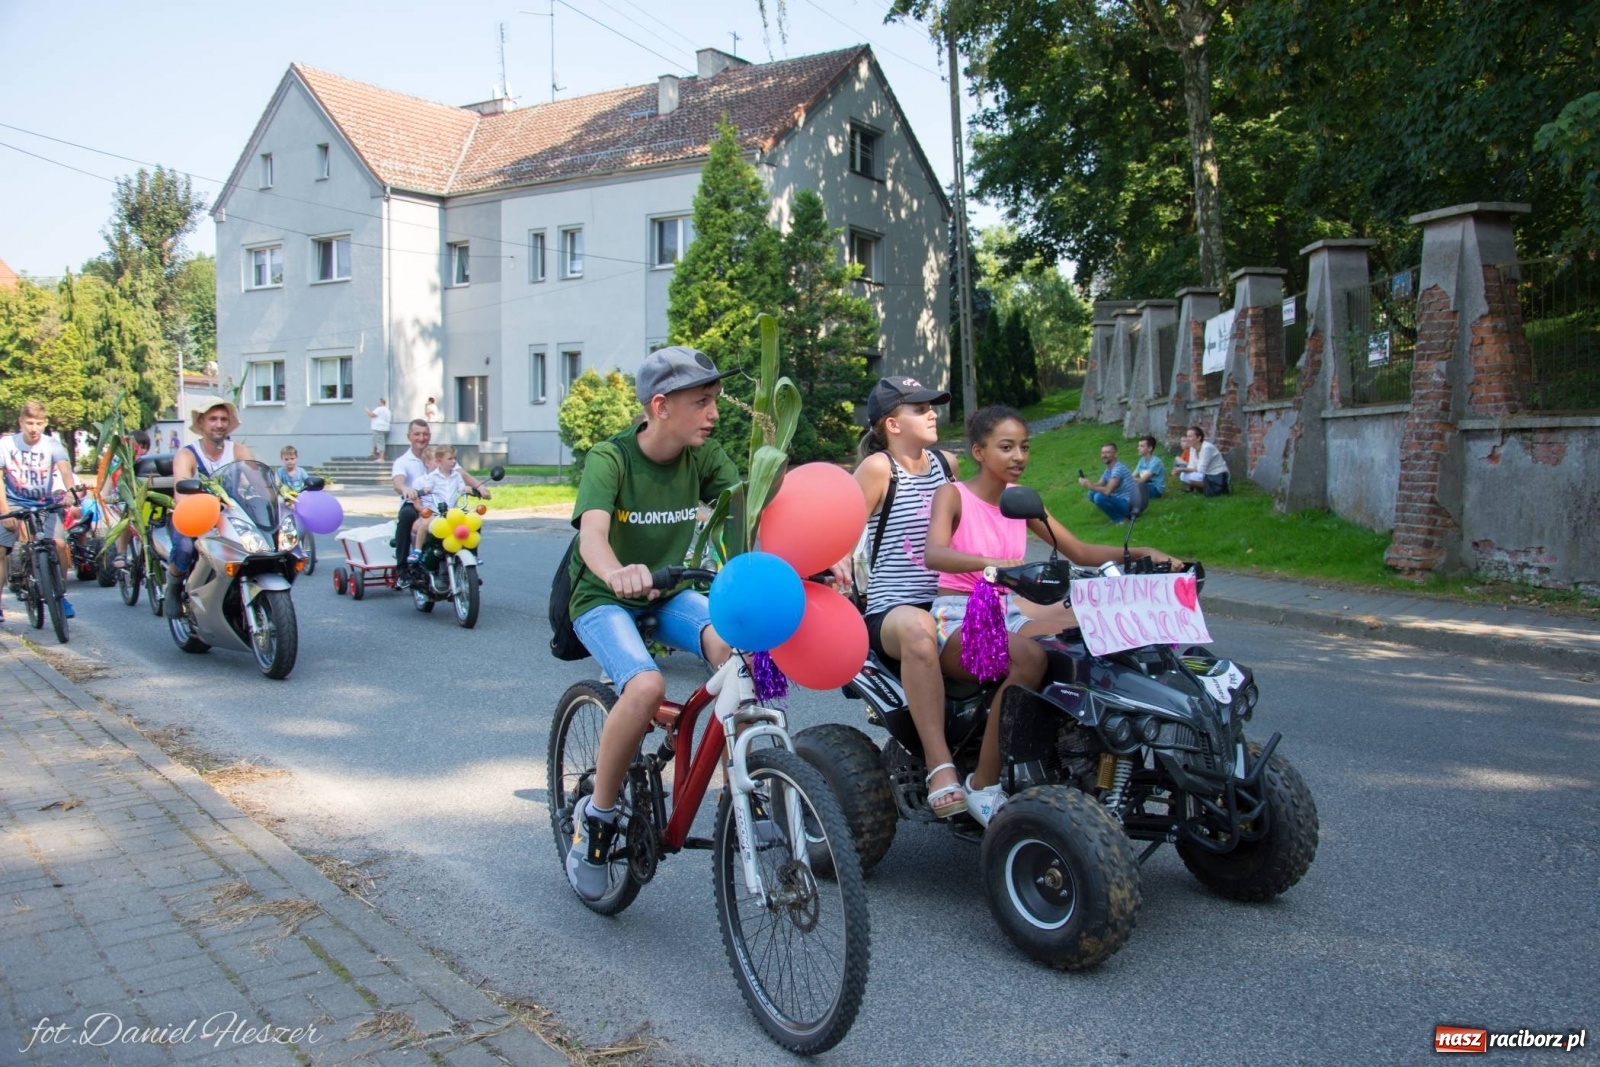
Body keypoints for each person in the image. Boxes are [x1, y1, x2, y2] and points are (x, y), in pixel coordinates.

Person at [925, 406, 1181, 827]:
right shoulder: (954, 495)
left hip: (1006, 613)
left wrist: (1144, 554)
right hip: (957, 616)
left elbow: (1079, 551)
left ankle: (1075, 757)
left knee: (1084, 637)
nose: (1018, 456)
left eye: (1024, 447)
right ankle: (982, 783)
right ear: (978, 451)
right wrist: (994, 565)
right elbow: (934, 552)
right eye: (1005, 447)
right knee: (1029, 657)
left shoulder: (1022, 502)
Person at [562, 345, 746, 901]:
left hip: (669, 591)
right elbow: (592, 534)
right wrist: (617, 572)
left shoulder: (705, 458)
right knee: (644, 687)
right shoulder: (610, 458)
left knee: (738, 653)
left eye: (715, 401)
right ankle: (595, 819)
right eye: (703, 402)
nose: (715, 413)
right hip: (603, 595)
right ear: (661, 406)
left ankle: (743, 790)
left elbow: (749, 517)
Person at [852, 377, 971, 818]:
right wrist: (835, 565)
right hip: (892, 611)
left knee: (1012, 643)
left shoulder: (947, 465)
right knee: (921, 634)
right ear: (892, 424)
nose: (932, 413)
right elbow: (840, 529)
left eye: (932, 405)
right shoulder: (878, 469)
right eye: (919, 409)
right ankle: (940, 765)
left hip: (946, 604)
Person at [165, 402, 255, 617]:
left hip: (232, 517)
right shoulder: (187, 455)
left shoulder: (239, 451)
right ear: (201, 423)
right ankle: (174, 588)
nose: (219, 424)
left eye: (224, 420)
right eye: (213, 419)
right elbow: (181, 494)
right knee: (185, 549)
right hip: (195, 517)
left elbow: (258, 481)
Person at [1, 400, 82, 621]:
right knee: (1, 549)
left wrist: (70, 493)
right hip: (13, 502)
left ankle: (60, 593)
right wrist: (4, 511)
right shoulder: (7, 445)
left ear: (45, 423)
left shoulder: (52, 445)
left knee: (60, 545)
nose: (33, 428)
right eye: (29, 423)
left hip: (44, 502)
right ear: (21, 422)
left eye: (38, 423)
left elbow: (66, 472)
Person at [407, 445, 492, 562]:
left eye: (455, 458)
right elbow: (428, 488)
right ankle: (417, 551)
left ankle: (473, 553)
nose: (454, 461)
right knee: (425, 523)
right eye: (450, 459)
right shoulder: (432, 477)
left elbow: (462, 488)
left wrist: (472, 490)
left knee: (474, 520)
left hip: (453, 512)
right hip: (436, 511)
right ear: (439, 461)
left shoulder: (457, 476)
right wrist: (422, 491)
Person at [390, 419, 433, 586]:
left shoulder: (437, 456)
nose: (421, 438)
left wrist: (477, 487)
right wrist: (405, 489)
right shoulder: (403, 461)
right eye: (417, 434)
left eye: (425, 434)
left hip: (438, 502)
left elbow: (459, 472)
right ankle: (402, 570)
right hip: (414, 502)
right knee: (407, 515)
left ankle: (466, 565)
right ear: (409, 437)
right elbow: (398, 482)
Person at [105, 429, 151, 570]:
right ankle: (122, 552)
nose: (140, 450)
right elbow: (109, 478)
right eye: (137, 446)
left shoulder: (148, 463)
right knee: (129, 515)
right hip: (121, 499)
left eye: (144, 447)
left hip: (143, 500)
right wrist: (105, 495)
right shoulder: (120, 461)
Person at [1079, 441, 1135, 523]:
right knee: (1091, 493)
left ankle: (1121, 520)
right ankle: (1115, 514)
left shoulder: (1118, 469)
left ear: (1115, 454)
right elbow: (1099, 484)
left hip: (1129, 505)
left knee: (1099, 497)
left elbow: (1107, 491)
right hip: (1119, 500)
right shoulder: (1109, 470)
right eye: (1102, 453)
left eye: (1108, 452)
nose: (1104, 455)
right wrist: (1087, 483)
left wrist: (1090, 486)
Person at [1174, 425, 1230, 495]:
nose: (1188, 439)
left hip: (1217, 476)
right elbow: (1191, 466)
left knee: (1186, 474)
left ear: (1199, 438)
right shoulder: (1192, 448)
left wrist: (1181, 469)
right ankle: (1199, 488)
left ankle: (1207, 489)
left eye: (1190, 436)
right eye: (1187, 436)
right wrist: (1182, 470)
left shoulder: (1206, 448)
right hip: (1205, 474)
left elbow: (1201, 470)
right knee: (1183, 476)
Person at [1133, 434, 1167, 499]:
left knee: (1131, 489)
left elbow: (1142, 480)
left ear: (1150, 448)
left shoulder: (1156, 462)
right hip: (1146, 485)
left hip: (1155, 489)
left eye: (1142, 446)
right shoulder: (1142, 460)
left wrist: (1129, 481)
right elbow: (1134, 474)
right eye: (1139, 446)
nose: (1138, 448)